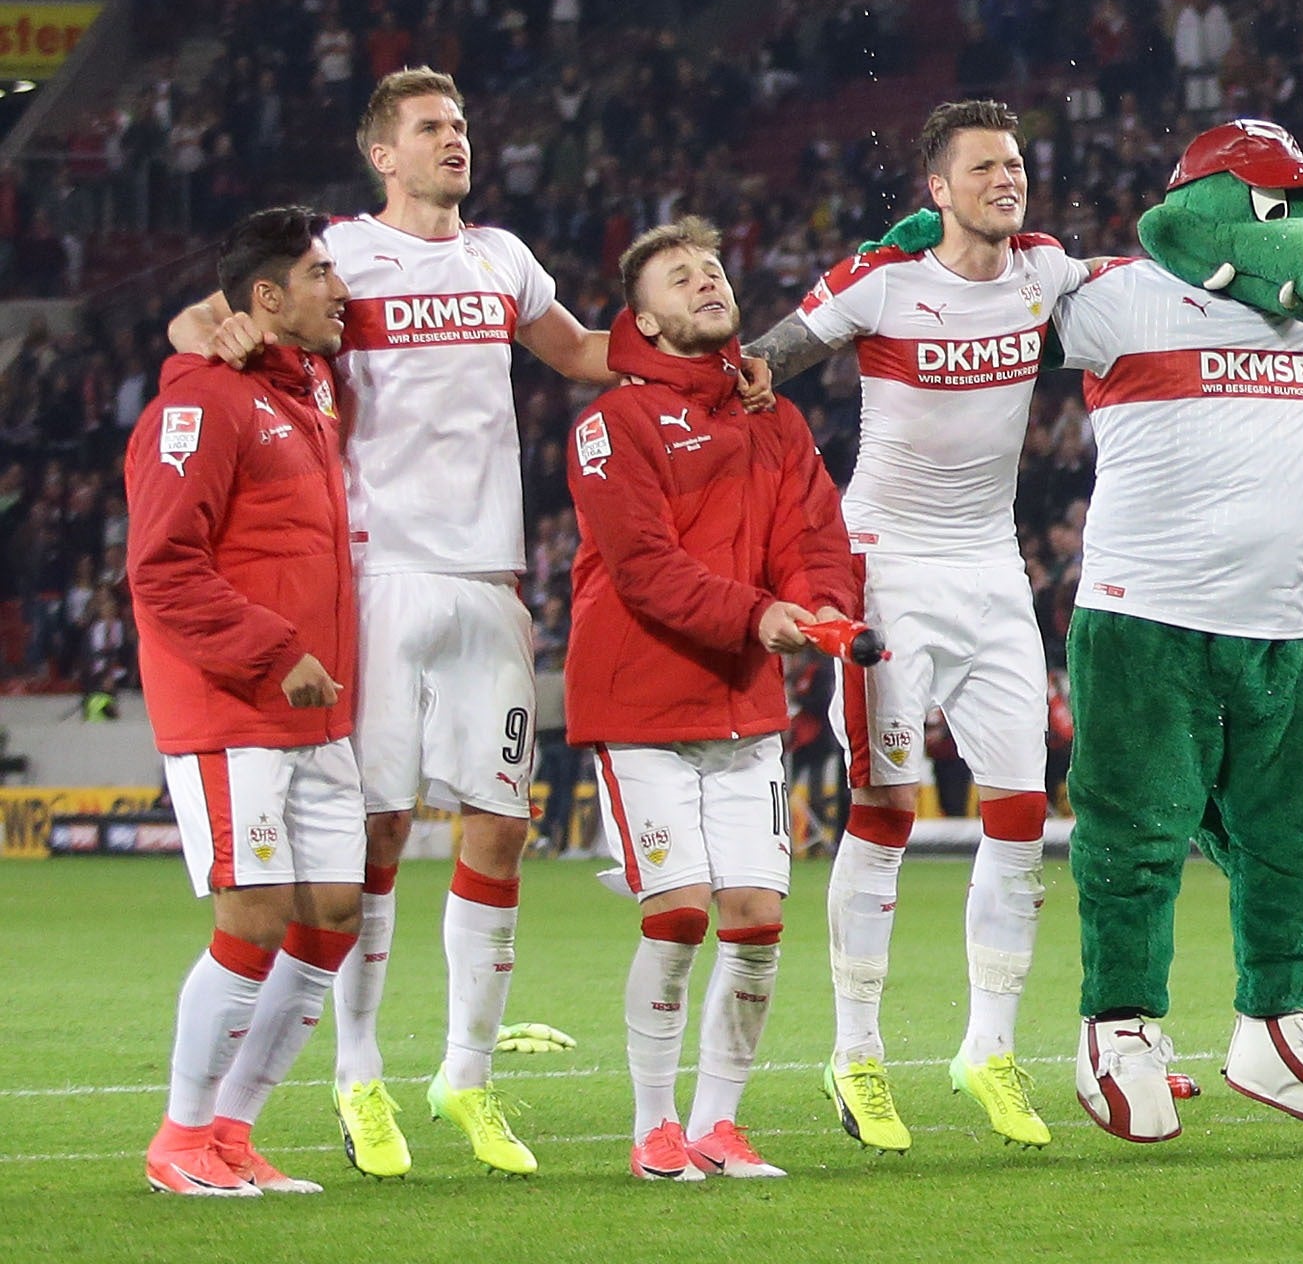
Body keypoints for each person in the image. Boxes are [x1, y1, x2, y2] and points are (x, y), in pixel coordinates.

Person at [174, 67, 622, 1178]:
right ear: (384, 153)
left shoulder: (502, 259)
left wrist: (697, 345)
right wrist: (200, 331)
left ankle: (467, 1077)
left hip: (489, 575)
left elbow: (579, 355)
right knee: (373, 833)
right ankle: (357, 1075)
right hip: (376, 576)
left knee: (499, 827)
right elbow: (212, 313)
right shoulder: (340, 256)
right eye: (431, 128)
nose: (454, 140)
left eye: (462, 123)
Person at [1052, 123, 1303, 1144]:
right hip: (1143, 620)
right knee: (1137, 836)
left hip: (1280, 628)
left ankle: (1273, 1022)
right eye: (1278, 207)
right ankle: (1118, 1025)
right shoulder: (1116, 297)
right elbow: (995, 297)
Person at [737, 98, 1086, 1151]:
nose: (1005, 181)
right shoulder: (884, 280)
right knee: (885, 806)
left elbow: (1155, 281)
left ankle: (988, 1048)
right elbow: (769, 358)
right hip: (886, 567)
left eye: (1014, 165)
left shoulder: (1045, 270)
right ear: (936, 190)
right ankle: (856, 1055)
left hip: (991, 570)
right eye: (982, 168)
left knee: (1022, 810)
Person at [565, 220, 860, 1180]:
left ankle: (717, 1125)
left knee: (756, 917)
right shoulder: (612, 424)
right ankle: (655, 1127)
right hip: (641, 703)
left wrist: (821, 604)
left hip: (745, 702)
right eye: (680, 277)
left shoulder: (770, 416)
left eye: (716, 270)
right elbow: (646, 570)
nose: (707, 283)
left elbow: (815, 532)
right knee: (682, 912)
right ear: (640, 315)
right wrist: (761, 615)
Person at [125, 207, 364, 1197]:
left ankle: (232, 1130)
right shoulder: (200, 407)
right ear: (266, 297)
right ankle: (178, 1138)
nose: (339, 291)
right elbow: (162, 568)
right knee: (256, 912)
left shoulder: (307, 386)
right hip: (235, 705)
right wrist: (273, 653)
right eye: (318, 275)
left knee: (331, 917)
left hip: (318, 708)